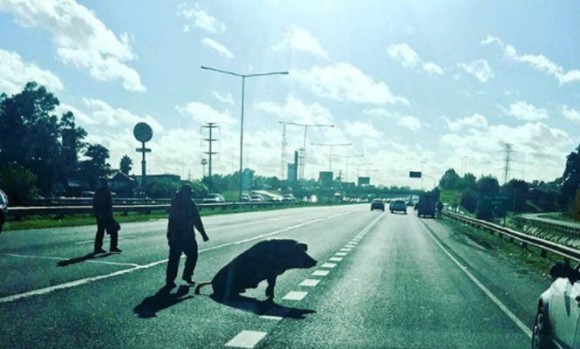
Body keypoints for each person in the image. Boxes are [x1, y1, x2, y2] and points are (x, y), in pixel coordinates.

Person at [166, 184, 209, 288]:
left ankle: (170, 280)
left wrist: (169, 235)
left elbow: (171, 220)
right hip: (186, 236)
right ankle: (187, 275)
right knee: (192, 255)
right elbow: (196, 220)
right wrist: (203, 234)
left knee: (174, 258)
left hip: (175, 235)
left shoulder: (175, 201)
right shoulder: (189, 203)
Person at [93, 178, 121, 254]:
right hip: (105, 214)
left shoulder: (99, 192)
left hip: (102, 214)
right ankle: (112, 247)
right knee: (113, 230)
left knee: (101, 231)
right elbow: (103, 204)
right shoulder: (104, 192)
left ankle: (98, 248)